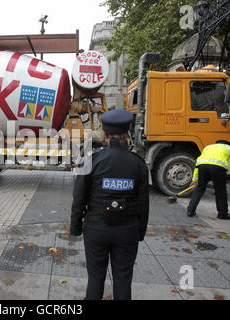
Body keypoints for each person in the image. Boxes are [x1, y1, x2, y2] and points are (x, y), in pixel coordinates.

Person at [70, 109, 149, 300]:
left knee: (95, 278)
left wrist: (76, 227)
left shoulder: (91, 160)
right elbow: (143, 203)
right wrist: (140, 232)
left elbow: (79, 198)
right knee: (123, 279)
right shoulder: (138, 164)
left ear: (104, 133)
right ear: (127, 133)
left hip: (96, 228)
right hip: (127, 229)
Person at [187, 140, 230, 220]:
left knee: (200, 188)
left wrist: (194, 180)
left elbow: (198, 164)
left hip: (202, 166)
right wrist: (227, 175)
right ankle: (222, 214)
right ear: (228, 145)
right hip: (218, 167)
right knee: (220, 191)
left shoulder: (208, 147)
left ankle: (190, 210)